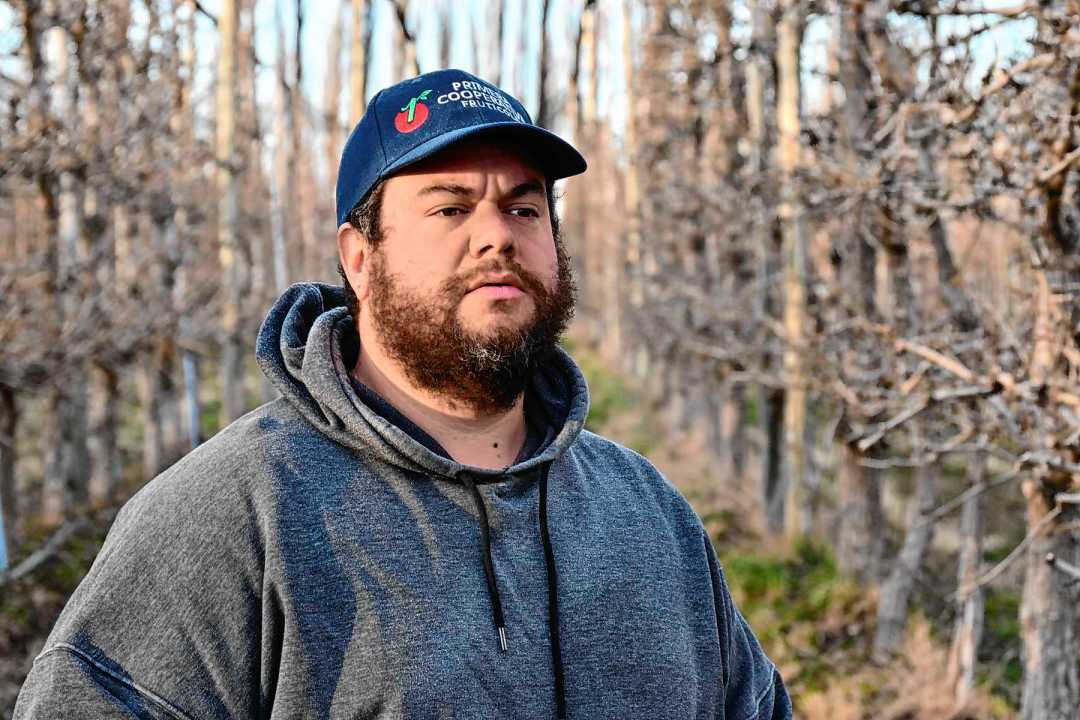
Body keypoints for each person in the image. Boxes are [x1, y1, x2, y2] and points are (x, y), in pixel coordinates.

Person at [15, 69, 791, 720]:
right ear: (360, 257)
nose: (498, 236)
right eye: (450, 208)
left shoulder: (648, 514)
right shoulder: (232, 516)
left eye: (524, 208)